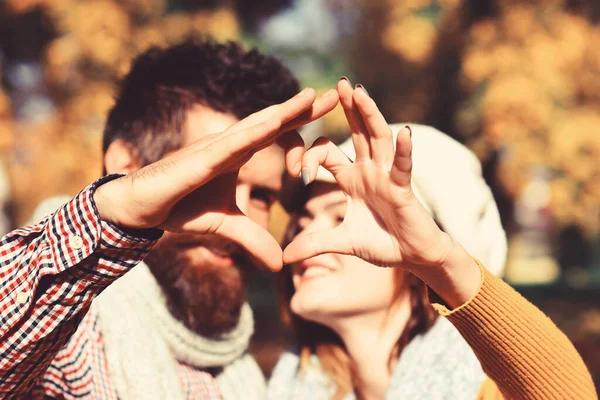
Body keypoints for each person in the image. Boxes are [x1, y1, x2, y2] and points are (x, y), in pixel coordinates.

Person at [0, 39, 339, 400]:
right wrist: (113, 213)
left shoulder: (250, 375)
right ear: (126, 168)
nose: (238, 219)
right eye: (210, 179)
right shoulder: (65, 334)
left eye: (262, 195)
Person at [268, 78, 597, 399]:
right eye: (302, 222)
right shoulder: (283, 384)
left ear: (414, 267)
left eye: (341, 219)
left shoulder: (489, 386)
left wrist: (440, 261)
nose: (309, 235)